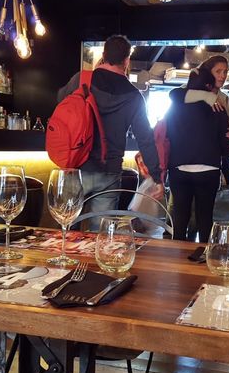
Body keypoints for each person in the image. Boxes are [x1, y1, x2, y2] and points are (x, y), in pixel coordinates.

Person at [57, 35, 164, 230]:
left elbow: (60, 102)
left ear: (104, 55)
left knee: (67, 227)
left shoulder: (81, 79)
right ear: (127, 60)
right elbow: (145, 139)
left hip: (75, 164)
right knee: (102, 232)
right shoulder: (134, 96)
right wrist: (157, 177)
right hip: (109, 170)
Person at [166, 66, 229, 242]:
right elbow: (225, 147)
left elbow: (168, 135)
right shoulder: (218, 108)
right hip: (208, 170)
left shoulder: (175, 106)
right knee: (205, 218)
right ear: (209, 86)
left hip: (179, 168)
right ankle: (203, 254)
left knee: (180, 217)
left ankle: (178, 254)